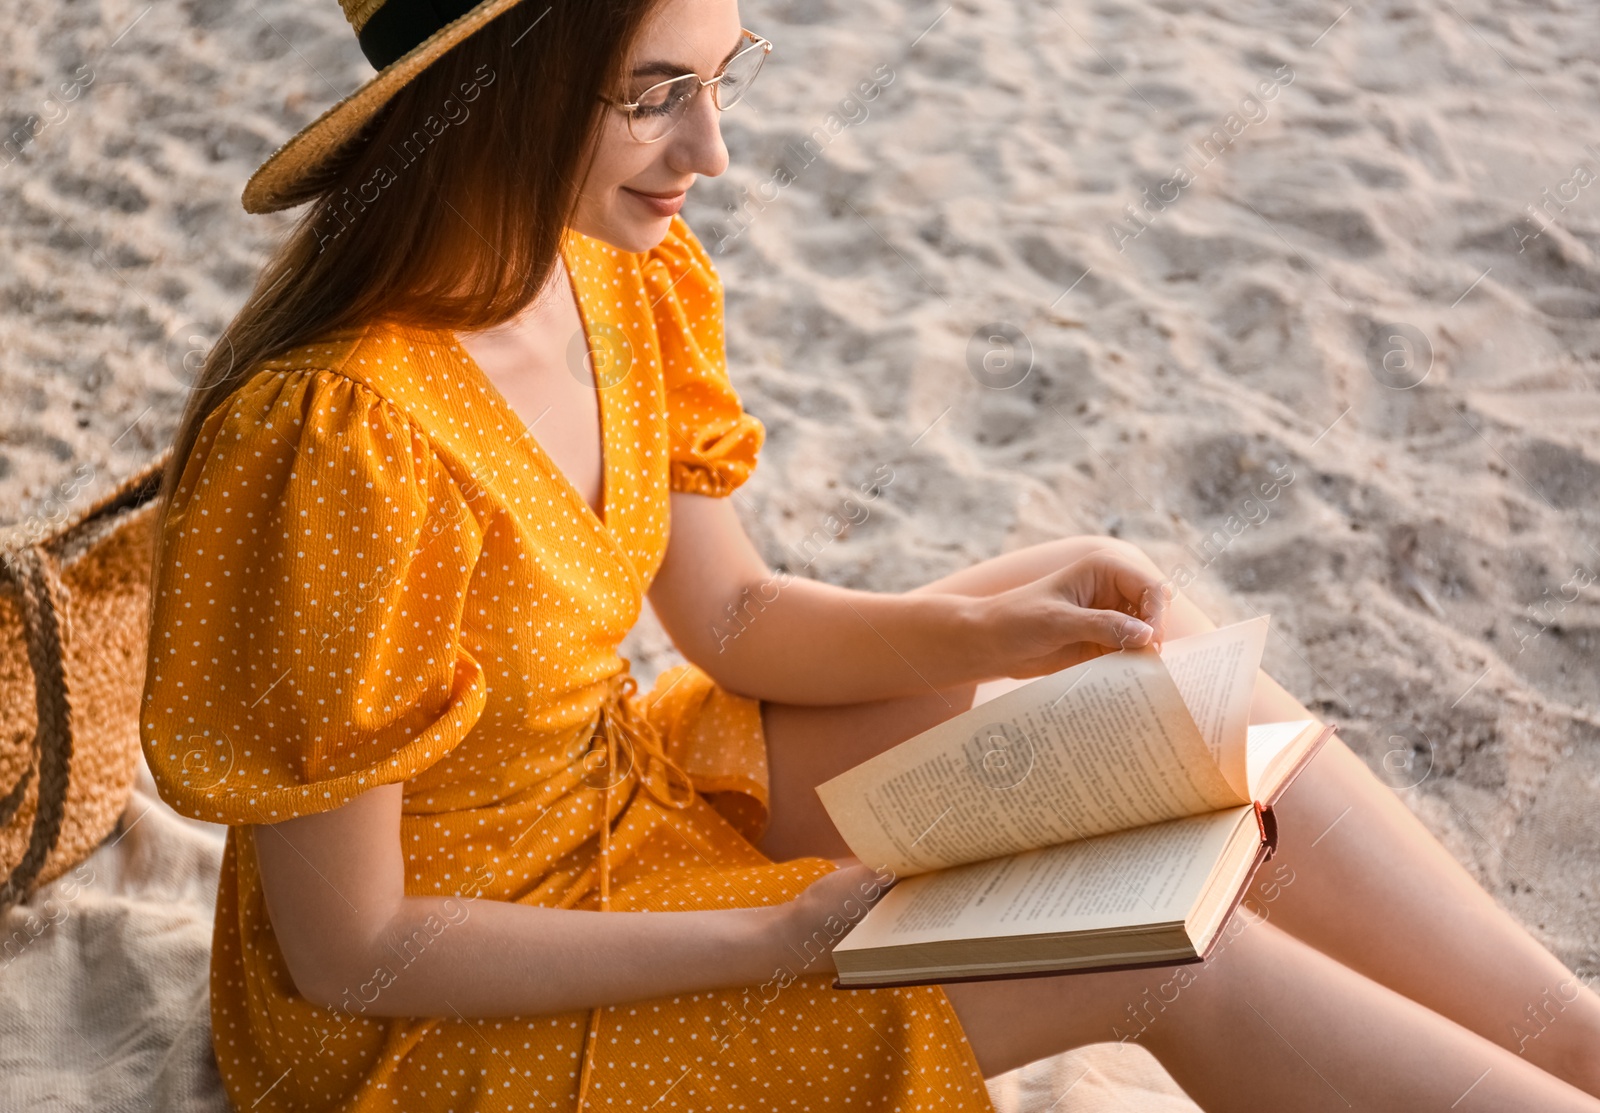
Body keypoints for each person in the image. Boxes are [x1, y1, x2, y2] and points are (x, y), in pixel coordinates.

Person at [139, 0, 1600, 1109]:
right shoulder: (339, 436)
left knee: (1194, 702)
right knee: (1150, 942)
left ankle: (1578, 1047)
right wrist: (771, 936)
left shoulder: (605, 267)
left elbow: (736, 611)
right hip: (432, 1015)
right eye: (656, 97)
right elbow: (352, 948)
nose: (710, 151)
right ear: (490, 97)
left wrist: (1004, 624)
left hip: (619, 801)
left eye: (720, 82)